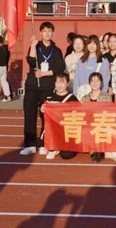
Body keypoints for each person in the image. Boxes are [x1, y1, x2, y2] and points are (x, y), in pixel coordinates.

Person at [20, 22, 66, 156]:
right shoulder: (35, 46)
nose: (47, 33)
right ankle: (30, 144)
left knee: (46, 116)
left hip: (47, 86)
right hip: (32, 86)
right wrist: (33, 45)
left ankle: (44, 142)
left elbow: (59, 68)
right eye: (44, 31)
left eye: (49, 31)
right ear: (40, 32)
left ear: (53, 33)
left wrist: (44, 74)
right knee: (30, 115)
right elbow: (31, 61)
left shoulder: (56, 50)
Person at [40, 72, 79, 161]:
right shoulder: (49, 97)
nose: (59, 85)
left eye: (62, 82)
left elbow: (78, 118)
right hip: (52, 132)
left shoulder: (72, 99)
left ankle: (59, 147)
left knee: (66, 155)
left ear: (67, 83)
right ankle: (53, 147)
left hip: (66, 132)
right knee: (43, 149)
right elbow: (44, 119)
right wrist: (41, 111)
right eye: (57, 82)